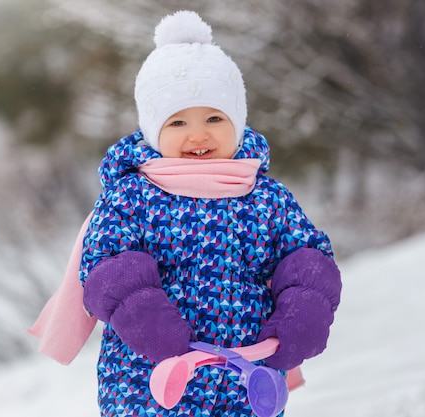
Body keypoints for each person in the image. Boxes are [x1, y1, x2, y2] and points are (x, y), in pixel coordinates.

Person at [31, 10, 342, 417]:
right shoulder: (133, 196)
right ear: (153, 130)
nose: (198, 135)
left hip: (245, 372)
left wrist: (306, 309)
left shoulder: (266, 196)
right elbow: (107, 263)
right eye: (178, 122)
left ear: (238, 122)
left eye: (215, 117)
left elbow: (306, 259)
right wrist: (144, 317)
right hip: (152, 376)